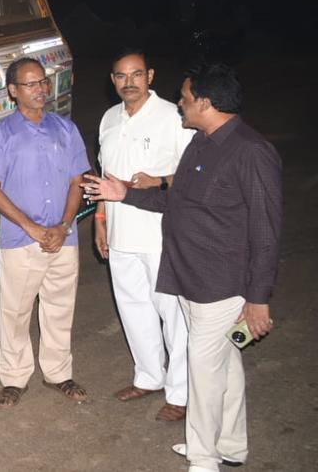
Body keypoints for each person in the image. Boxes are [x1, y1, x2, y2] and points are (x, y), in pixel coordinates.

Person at [84, 64, 281, 470]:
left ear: (206, 103)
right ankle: (230, 445)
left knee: (203, 373)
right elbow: (175, 202)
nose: (181, 103)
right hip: (188, 274)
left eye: (187, 97)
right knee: (226, 366)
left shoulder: (251, 151)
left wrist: (258, 300)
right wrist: (123, 195)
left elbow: (265, 234)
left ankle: (204, 460)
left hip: (221, 285)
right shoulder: (201, 143)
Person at [0, 57, 91, 407]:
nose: (40, 89)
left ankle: (58, 373)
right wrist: (33, 227)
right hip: (22, 239)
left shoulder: (66, 129)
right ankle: (14, 376)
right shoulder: (1, 133)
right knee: (16, 312)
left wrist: (64, 225)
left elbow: (77, 181)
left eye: (43, 82)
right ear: (13, 91)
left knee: (59, 307)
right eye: (31, 84)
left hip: (63, 237)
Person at [95, 51, 193, 421]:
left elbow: (194, 175)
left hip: (161, 235)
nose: (129, 82)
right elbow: (106, 175)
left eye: (137, 74)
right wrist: (101, 218)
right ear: (113, 79)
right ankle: (150, 376)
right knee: (133, 309)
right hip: (121, 235)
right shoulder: (108, 119)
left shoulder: (173, 116)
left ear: (150, 75)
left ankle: (181, 394)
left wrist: (161, 180)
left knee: (174, 316)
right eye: (121, 76)